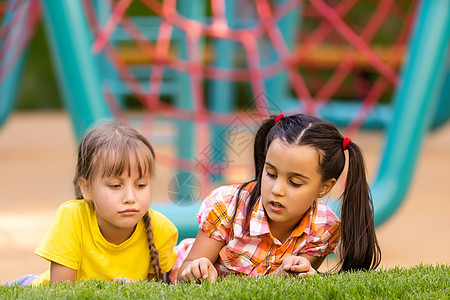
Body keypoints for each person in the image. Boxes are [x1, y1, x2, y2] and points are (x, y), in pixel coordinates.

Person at [173, 113, 381, 283]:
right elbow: (183, 275)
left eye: (295, 183)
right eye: (271, 174)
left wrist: (297, 275)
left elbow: (277, 289)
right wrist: (195, 270)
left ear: (325, 187)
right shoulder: (227, 206)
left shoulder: (323, 228)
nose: (277, 189)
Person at [28, 122, 178, 285]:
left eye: (140, 185)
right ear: (86, 188)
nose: (130, 197)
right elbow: (61, 291)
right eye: (115, 185)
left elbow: (153, 292)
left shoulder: (161, 229)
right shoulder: (73, 218)